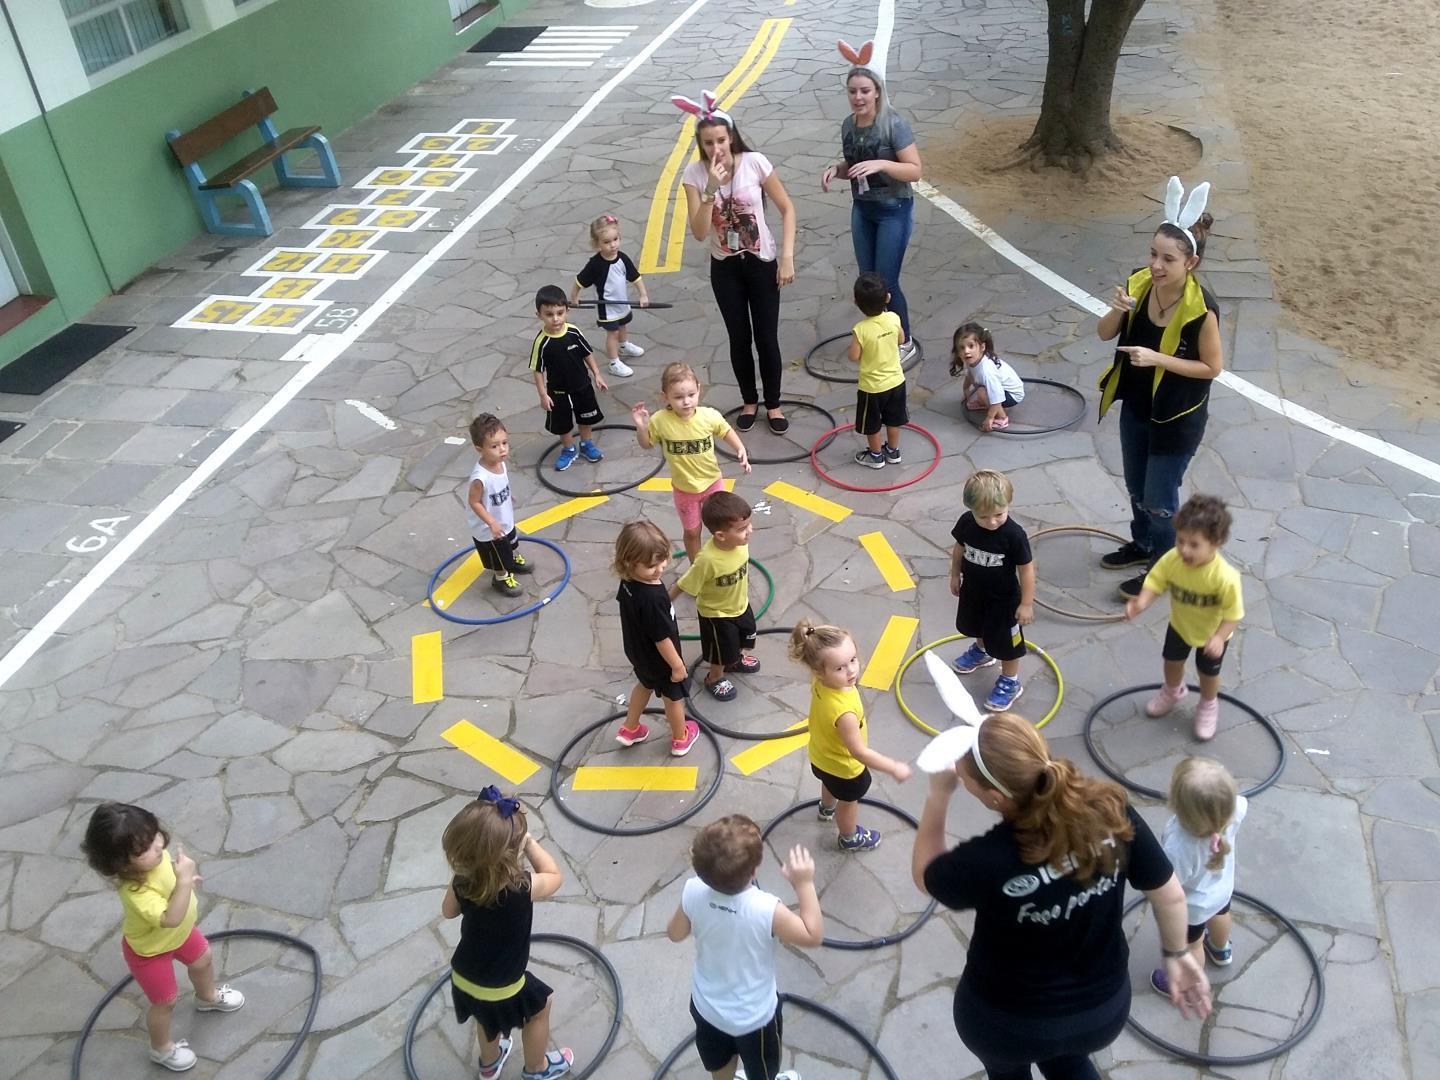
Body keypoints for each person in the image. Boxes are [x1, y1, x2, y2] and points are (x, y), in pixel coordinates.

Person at [911, 713, 1212, 1080]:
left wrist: (938, 795)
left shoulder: (986, 861)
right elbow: (1170, 895)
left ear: (995, 798)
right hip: (1101, 1012)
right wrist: (1178, 953)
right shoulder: (1110, 810)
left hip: (1006, 1023)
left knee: (1010, 1071)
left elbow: (925, 876)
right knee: (1069, 1059)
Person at [1095, 176, 1223, 598]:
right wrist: (1115, 311)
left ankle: (1162, 569)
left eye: (1167, 258)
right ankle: (1143, 543)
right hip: (1136, 406)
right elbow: (1103, 333)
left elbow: (1212, 368)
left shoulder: (1202, 309)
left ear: (1191, 263)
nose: (1155, 265)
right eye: (1153, 254)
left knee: (1160, 497)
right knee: (1135, 484)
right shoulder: (1137, 284)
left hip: (1176, 418)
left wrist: (1158, 360)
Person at [81, 803, 245, 1072]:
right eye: (143, 849)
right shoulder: (135, 892)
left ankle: (207, 997)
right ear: (121, 863)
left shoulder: (155, 858)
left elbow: (166, 878)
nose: (157, 846)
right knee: (165, 1001)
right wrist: (183, 882)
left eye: (154, 835)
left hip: (181, 934)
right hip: (150, 951)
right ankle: (161, 1049)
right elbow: (170, 919)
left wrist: (182, 880)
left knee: (203, 959)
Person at [675, 91, 797, 434]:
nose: (717, 149)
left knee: (766, 337)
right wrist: (711, 189)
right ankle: (749, 400)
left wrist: (786, 257)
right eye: (709, 143)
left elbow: (787, 208)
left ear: (732, 137)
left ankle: (773, 404)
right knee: (738, 337)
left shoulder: (755, 162)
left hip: (761, 261)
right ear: (701, 144)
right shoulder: (694, 174)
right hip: (725, 266)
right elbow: (699, 232)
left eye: (722, 140)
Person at [667, 815, 822, 1080]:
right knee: (761, 1072)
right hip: (754, 1019)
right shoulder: (766, 908)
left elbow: (675, 933)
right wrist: (804, 883)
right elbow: (812, 935)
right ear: (754, 871)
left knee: (719, 1067)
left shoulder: (693, 890)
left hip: (707, 1008)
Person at [441, 789, 574, 1080]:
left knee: (485, 1016)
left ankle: (489, 1067)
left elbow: (448, 912)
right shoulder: (521, 888)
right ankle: (537, 1069)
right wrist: (529, 843)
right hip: (502, 984)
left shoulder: (463, 880)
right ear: (511, 853)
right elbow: (555, 876)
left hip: (464, 975)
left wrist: (459, 880)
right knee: (541, 1007)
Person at [822, 40, 923, 359]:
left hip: (894, 209)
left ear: (876, 91)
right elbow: (854, 165)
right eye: (853, 91)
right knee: (868, 283)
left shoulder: (893, 123)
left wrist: (883, 164)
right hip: (863, 209)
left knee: (887, 281)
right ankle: (877, 335)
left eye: (864, 91)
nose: (858, 97)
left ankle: (903, 339)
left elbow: (914, 170)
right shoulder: (848, 126)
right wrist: (835, 170)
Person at [1124, 495, 1244, 740]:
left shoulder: (1225, 577)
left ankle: (1208, 705)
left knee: (1207, 674)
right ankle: (1172, 690)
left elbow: (1233, 615)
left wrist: (1220, 638)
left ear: (1216, 543)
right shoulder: (1173, 559)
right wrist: (1142, 601)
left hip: (1212, 634)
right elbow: (1156, 580)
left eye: (1194, 544)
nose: (1184, 550)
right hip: (1180, 625)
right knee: (1171, 661)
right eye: (1180, 541)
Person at [789, 619, 911, 851]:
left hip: (820, 757)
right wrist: (893, 767)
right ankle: (849, 837)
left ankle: (826, 809)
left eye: (852, 660)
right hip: (846, 769)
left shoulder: (820, 681)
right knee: (848, 802)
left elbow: (826, 664)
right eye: (840, 668)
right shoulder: (844, 713)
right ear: (819, 671)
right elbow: (859, 752)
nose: (852, 670)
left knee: (829, 783)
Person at [632, 362, 751, 563]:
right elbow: (646, 445)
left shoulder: (709, 416)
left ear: (699, 391)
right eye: (678, 397)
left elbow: (725, 430)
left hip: (712, 483)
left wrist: (740, 449)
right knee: (692, 531)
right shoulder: (660, 420)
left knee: (723, 527)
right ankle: (697, 568)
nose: (686, 402)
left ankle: (728, 563)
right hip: (684, 489)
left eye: (691, 395)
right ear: (665, 397)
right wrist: (642, 427)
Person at [1152, 757, 1247, 996]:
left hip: (1193, 908)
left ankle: (1188, 982)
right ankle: (1220, 948)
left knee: (1192, 945)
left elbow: (1171, 885)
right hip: (1222, 889)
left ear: (1177, 805)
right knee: (1221, 914)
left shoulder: (1180, 847)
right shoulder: (1235, 808)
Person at [612, 519, 701, 756]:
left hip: (638, 652)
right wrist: (677, 665)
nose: (660, 568)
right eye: (652, 566)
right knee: (673, 698)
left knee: (644, 684)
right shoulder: (653, 599)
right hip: (662, 658)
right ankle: (681, 738)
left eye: (663, 560)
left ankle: (630, 728)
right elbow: (661, 638)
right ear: (629, 563)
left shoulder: (628, 582)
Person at [949, 469, 1035, 711]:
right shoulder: (967, 522)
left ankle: (1010, 681)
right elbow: (959, 548)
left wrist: (1026, 603)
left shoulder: (1013, 535)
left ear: (1008, 504)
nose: (992, 521)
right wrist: (955, 574)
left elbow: (1026, 570)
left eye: (999, 514)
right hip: (974, 591)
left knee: (1008, 643)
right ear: (971, 510)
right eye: (983, 517)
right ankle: (983, 650)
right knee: (976, 625)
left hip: (1004, 600)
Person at [674, 490, 760, 701]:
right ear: (721, 535)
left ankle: (735, 660)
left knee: (745, 637)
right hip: (717, 614)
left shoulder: (741, 544)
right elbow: (685, 583)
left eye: (749, 524)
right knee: (721, 651)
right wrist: (662, 605)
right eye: (742, 529)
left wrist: (741, 533)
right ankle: (714, 677)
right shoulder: (707, 560)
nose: (750, 531)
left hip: (740, 604)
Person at [530, 284, 607, 472]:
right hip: (557, 392)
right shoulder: (542, 342)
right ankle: (568, 449)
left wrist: (597, 374)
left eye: (560, 313)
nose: (555, 318)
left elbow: (587, 353)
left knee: (585, 417)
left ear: (567, 311)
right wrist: (542, 395)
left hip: (582, 386)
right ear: (539, 315)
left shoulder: (573, 332)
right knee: (562, 424)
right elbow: (537, 370)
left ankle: (586, 444)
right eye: (549, 314)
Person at [570, 213, 648, 379]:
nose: (613, 245)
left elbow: (636, 277)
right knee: (612, 333)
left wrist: (643, 295)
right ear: (596, 243)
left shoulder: (622, 258)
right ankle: (614, 363)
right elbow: (579, 281)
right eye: (607, 242)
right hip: (607, 307)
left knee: (622, 326)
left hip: (622, 303)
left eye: (616, 239)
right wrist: (574, 297)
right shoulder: (595, 264)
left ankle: (624, 345)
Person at [466, 413, 533, 599]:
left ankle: (511, 560)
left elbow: (500, 483)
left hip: (503, 517)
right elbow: (474, 502)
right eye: (494, 446)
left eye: (504, 443)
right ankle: (501, 578)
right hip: (489, 528)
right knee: (498, 556)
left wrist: (507, 494)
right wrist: (491, 522)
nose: (502, 449)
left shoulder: (499, 464)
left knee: (510, 541)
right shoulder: (480, 478)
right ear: (479, 449)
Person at [847, 270, 908, 469]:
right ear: (888, 298)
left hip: (872, 388)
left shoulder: (861, 330)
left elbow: (853, 356)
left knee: (872, 424)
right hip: (897, 382)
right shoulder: (894, 318)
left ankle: (875, 455)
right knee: (893, 419)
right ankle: (893, 451)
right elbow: (901, 339)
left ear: (856, 303)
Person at [951, 322, 1025, 433]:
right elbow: (970, 375)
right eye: (962, 348)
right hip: (1000, 389)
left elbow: (997, 396)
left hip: (1013, 395)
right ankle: (984, 402)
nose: (966, 351)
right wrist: (966, 392)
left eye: (971, 346)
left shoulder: (987, 371)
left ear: (982, 347)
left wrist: (989, 417)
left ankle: (1002, 418)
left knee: (981, 392)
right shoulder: (972, 359)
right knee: (981, 388)